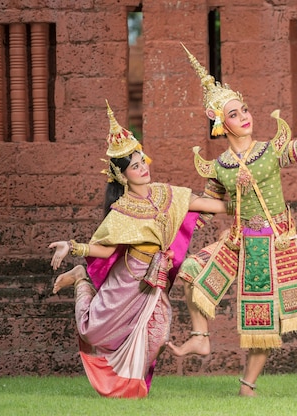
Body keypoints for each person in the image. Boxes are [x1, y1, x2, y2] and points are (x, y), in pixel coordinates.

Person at [166, 45, 297, 397]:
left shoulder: (270, 150)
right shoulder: (219, 167)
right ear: (220, 122)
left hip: (274, 243)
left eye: (244, 109)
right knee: (189, 272)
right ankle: (201, 337)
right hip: (238, 241)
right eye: (234, 113)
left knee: (264, 322)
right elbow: (212, 206)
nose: (244, 116)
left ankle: (248, 387)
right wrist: (176, 219)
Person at [49, 101, 226, 398]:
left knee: (156, 337)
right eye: (135, 166)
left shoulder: (167, 194)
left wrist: (240, 196)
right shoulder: (120, 212)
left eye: (142, 161)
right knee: (92, 331)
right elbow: (104, 252)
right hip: (127, 280)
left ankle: (131, 383)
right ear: (122, 176)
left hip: (154, 282)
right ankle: (81, 278)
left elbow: (210, 205)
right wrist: (72, 247)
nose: (143, 168)